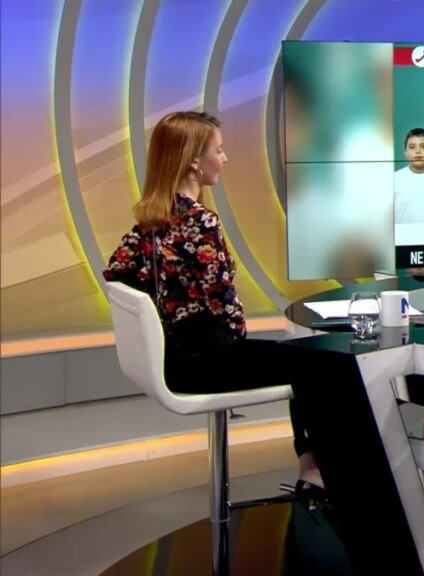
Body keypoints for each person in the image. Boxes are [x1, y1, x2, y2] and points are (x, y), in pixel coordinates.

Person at [102, 111, 325, 504]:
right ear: (194, 161)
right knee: (318, 363)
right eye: (218, 151)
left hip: (173, 361)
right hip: (207, 363)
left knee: (298, 358)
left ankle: (314, 471)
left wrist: (163, 307)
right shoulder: (201, 222)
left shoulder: (150, 222)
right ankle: (315, 471)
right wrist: (233, 340)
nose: (225, 158)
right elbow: (224, 308)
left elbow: (116, 274)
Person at [393, 128, 424, 224]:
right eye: (412, 147)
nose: (418, 151)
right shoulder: (394, 179)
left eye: (423, 146)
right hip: (402, 233)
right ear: (405, 152)